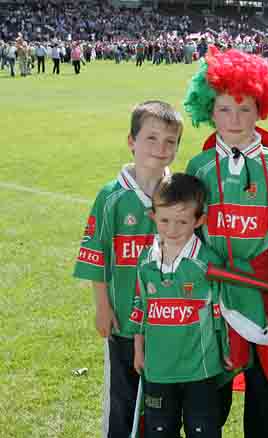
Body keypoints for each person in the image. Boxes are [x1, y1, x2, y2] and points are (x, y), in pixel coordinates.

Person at [183, 46, 268, 438]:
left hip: (263, 282)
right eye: (224, 109)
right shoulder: (198, 166)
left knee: (265, 378)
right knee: (214, 378)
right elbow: (187, 229)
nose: (235, 119)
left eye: (245, 108)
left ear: (261, 108)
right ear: (208, 111)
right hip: (213, 282)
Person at [73, 101, 183, 438]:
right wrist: (103, 308)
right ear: (131, 141)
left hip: (169, 320)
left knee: (164, 403)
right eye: (151, 138)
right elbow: (95, 256)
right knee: (123, 400)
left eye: (170, 141)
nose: (160, 148)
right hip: (123, 319)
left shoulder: (181, 192)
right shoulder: (111, 197)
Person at [130, 173, 227, 438]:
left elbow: (220, 311)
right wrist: (139, 349)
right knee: (160, 430)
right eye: (164, 221)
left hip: (200, 368)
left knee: (203, 430)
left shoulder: (207, 262)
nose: (172, 229)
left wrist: (226, 348)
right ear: (153, 217)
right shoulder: (146, 262)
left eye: (182, 221)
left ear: (199, 221)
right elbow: (141, 307)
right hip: (159, 369)